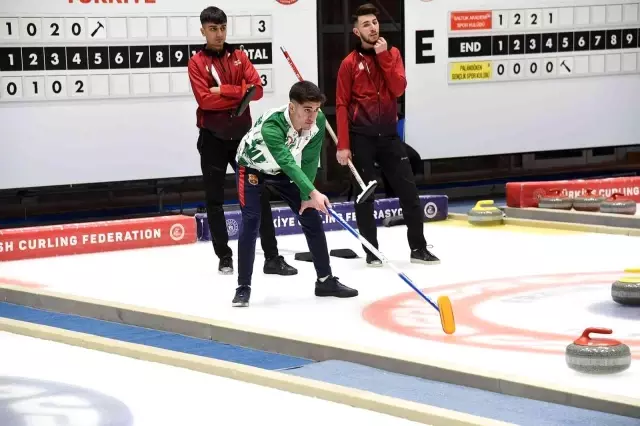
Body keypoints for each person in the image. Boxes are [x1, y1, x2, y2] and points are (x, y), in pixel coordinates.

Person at [188, 6, 297, 277]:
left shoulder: (239, 56)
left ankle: (271, 257)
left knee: (258, 196)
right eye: (213, 29)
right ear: (203, 31)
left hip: (244, 141)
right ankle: (224, 256)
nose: (219, 34)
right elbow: (205, 100)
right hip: (212, 138)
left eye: (222, 28)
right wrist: (240, 94)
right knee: (214, 200)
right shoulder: (197, 62)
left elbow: (257, 90)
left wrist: (224, 90)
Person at [232, 80, 359, 307]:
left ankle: (325, 280)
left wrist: (306, 195)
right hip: (252, 168)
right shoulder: (272, 126)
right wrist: (313, 191)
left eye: (316, 109)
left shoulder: (318, 122)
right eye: (306, 110)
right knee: (251, 221)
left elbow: (310, 159)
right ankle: (243, 287)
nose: (312, 116)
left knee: (310, 215)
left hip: (280, 169)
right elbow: (289, 162)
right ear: (292, 107)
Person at [335, 3, 440, 267]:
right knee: (364, 196)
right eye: (366, 24)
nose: (372, 28)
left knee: (409, 193)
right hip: (361, 138)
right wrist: (343, 145)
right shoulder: (349, 64)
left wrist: (383, 57)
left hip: (390, 137)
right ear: (356, 31)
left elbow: (398, 89)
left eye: (374, 23)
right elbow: (341, 104)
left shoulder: (392, 54)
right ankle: (372, 251)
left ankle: (419, 248)